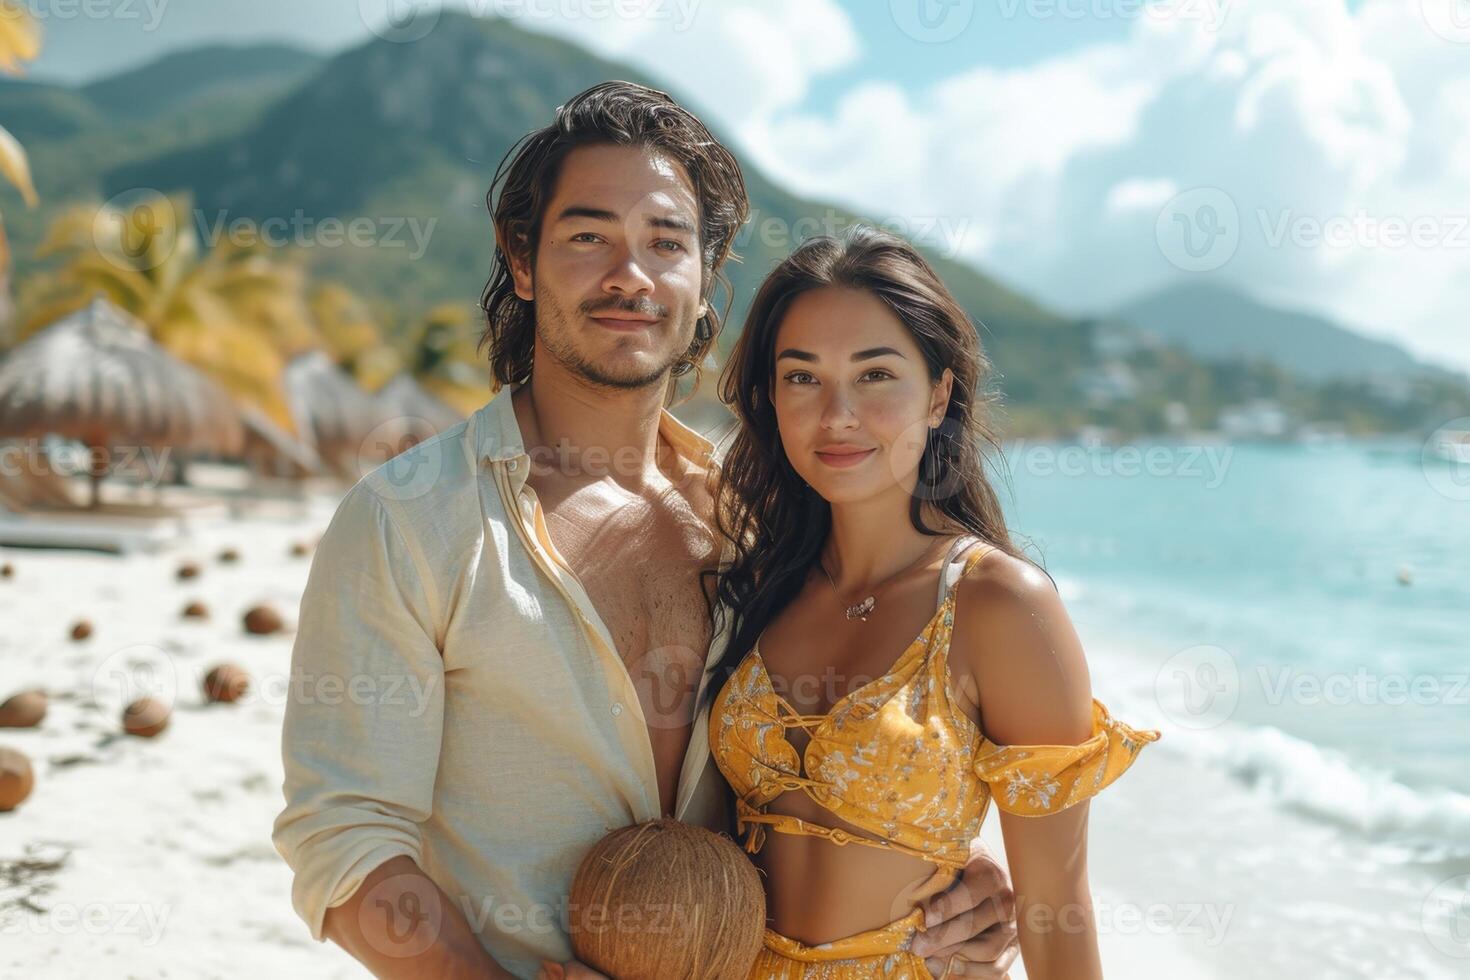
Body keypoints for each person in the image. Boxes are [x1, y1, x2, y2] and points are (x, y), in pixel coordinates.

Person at [271, 81, 1020, 980]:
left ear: (706, 280)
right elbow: (344, 836)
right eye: (588, 238)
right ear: (521, 261)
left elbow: (828, 772)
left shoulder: (764, 524)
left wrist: (956, 875)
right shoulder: (408, 521)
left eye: (666, 243)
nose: (630, 275)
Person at [704, 226, 1161, 979]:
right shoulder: (754, 586)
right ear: (771, 399)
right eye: (802, 377)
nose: (837, 415)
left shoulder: (1000, 606)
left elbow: (1055, 909)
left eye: (876, 375)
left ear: (938, 393)